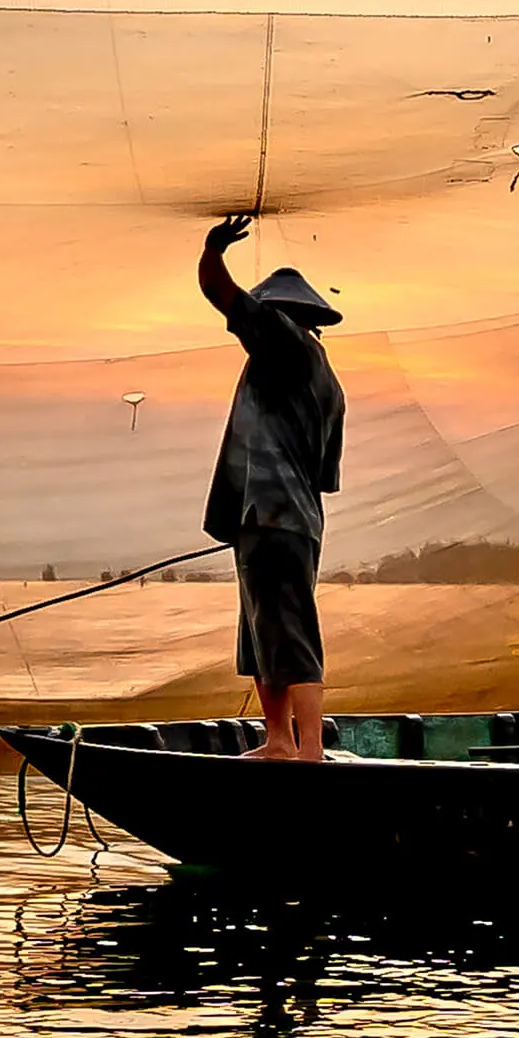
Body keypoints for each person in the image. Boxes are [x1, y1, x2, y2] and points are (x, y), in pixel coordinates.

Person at [197, 213, 346, 761]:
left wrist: (214, 250)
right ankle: (279, 741)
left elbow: (220, 291)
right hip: (292, 519)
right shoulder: (329, 383)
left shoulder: (283, 344)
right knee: (262, 631)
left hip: (273, 517)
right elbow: (326, 476)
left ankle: (308, 751)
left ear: (283, 318)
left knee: (288, 628)